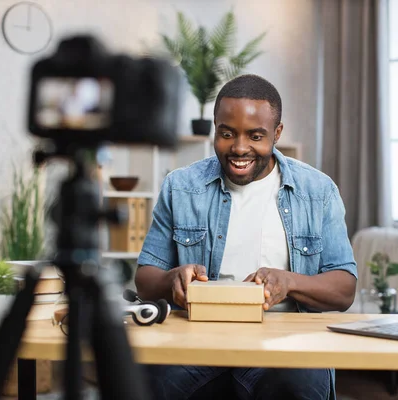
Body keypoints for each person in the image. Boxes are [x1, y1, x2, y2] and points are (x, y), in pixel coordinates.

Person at [135, 74, 357, 400]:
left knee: (302, 387)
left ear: (277, 133)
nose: (239, 148)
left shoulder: (318, 191)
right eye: (226, 134)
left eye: (255, 136)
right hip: (199, 341)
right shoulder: (181, 186)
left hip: (286, 343)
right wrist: (173, 279)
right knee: (150, 383)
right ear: (214, 128)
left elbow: (344, 288)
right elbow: (144, 278)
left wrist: (289, 282)